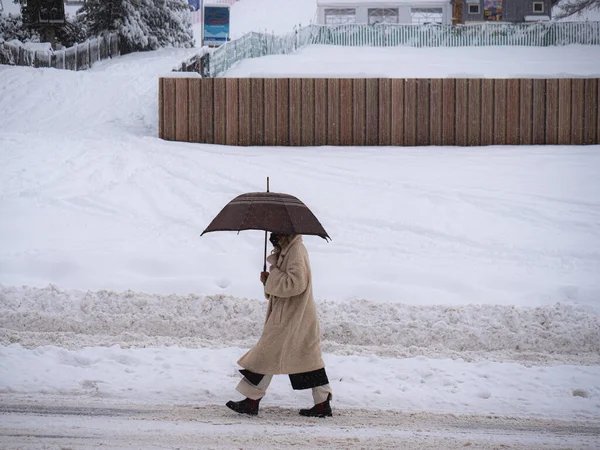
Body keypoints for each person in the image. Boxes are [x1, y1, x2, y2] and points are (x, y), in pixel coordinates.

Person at [226, 233, 333, 417]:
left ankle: (251, 401)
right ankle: (322, 404)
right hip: (291, 315)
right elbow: (284, 285)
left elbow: (296, 283)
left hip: (293, 316)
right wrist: (268, 282)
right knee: (306, 358)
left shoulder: (296, 250)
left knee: (266, 354)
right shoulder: (288, 250)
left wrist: (273, 276)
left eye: (277, 230)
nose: (274, 234)